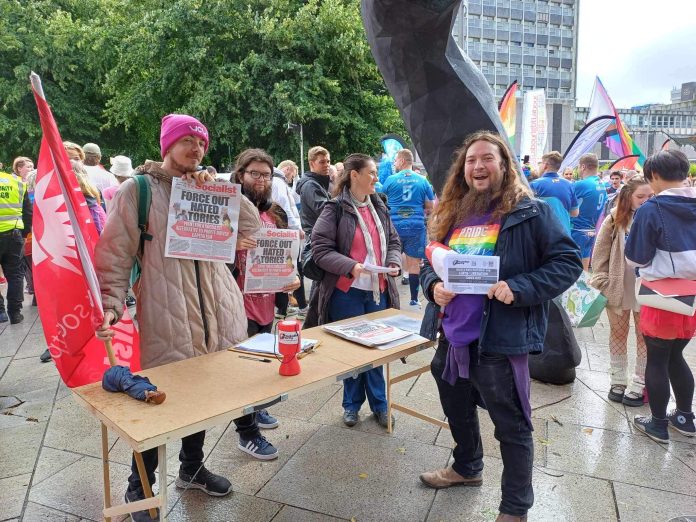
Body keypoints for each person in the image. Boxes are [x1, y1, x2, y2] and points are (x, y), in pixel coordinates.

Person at [95, 114, 262, 520]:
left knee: (200, 399)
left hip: (217, 313)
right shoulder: (139, 190)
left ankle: (191, 468)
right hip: (168, 312)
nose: (196, 148)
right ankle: (140, 487)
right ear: (166, 145)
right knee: (159, 403)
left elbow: (252, 229)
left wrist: (224, 191)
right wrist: (111, 304)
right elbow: (115, 253)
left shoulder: (209, 187)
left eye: (201, 142)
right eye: (187, 140)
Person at [417, 131, 582, 522]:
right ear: (463, 169)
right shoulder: (453, 212)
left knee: (512, 426)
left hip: (500, 341)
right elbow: (430, 261)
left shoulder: (532, 211)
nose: (478, 166)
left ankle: (514, 509)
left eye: (487, 158)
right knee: (456, 409)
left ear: (505, 166)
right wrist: (432, 287)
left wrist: (520, 287)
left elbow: (568, 262)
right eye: (471, 160)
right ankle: (467, 468)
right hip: (452, 339)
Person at [305, 153, 402, 429]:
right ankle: (351, 405)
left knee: (376, 352)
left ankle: (381, 405)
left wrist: (393, 261)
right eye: (371, 172)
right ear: (354, 176)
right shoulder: (333, 208)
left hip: (377, 290)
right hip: (346, 291)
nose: (376, 178)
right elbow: (321, 250)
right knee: (352, 352)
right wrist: (351, 266)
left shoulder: (379, 206)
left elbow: (393, 240)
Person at [231, 148, 300, 460]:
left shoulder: (275, 212)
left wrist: (291, 279)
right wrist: (231, 245)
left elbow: (284, 255)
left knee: (262, 362)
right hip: (234, 302)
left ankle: (256, 410)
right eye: (254, 173)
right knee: (243, 368)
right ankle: (246, 433)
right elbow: (204, 253)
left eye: (265, 174)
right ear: (241, 174)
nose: (260, 179)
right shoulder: (228, 208)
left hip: (267, 300)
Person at [625, 149, 696, 443]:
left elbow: (636, 257)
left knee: (657, 357)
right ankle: (684, 417)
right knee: (676, 355)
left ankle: (656, 423)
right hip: (692, 296)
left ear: (653, 176)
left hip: (661, 295)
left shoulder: (651, 209)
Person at [590, 176, 653, 407]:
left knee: (644, 336)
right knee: (618, 333)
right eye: (640, 197)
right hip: (618, 285)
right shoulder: (614, 218)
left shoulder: (656, 218)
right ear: (628, 196)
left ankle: (639, 383)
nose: (645, 201)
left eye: (650, 196)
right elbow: (600, 253)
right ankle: (617, 381)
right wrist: (602, 280)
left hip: (646, 288)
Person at [382, 149, 434, 308]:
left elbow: (382, 201)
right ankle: (413, 299)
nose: (395, 163)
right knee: (414, 264)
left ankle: (388, 299)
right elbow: (430, 206)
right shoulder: (423, 180)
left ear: (403, 160)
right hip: (415, 226)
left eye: (396, 160)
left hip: (394, 227)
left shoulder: (390, 180)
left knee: (389, 262)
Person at [0, 166, 32, 324]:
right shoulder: (17, 182)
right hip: (13, 235)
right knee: (15, 275)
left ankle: (0, 312)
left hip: (12, 234)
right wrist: (25, 233)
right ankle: (15, 313)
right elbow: (27, 211)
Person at [571, 153, 607, 271]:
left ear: (583, 167)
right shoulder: (602, 184)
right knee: (584, 265)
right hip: (591, 229)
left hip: (577, 228)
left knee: (573, 267)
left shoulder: (581, 184)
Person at [529, 151, 579, 233]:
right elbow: (575, 213)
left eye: (541, 163)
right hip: (564, 236)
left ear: (545, 165)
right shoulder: (569, 185)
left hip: (543, 237)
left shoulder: (534, 185)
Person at [295, 146, 331, 238]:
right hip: (316, 238)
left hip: (319, 235)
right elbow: (326, 211)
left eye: (328, 161)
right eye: (322, 162)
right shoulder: (311, 185)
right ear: (312, 164)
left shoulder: (317, 183)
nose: (327, 165)